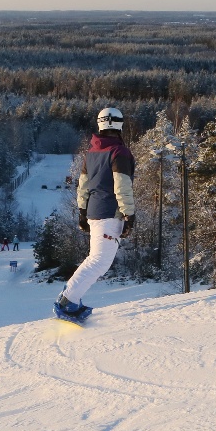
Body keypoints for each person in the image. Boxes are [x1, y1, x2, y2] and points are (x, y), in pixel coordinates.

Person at [55, 107, 136, 321]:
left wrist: (82, 212)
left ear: (100, 124)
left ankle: (70, 296)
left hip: (94, 211)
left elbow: (82, 185)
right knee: (99, 261)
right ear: (119, 125)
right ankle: (68, 300)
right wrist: (129, 215)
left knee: (95, 259)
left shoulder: (91, 153)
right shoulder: (120, 152)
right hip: (109, 212)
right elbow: (122, 186)